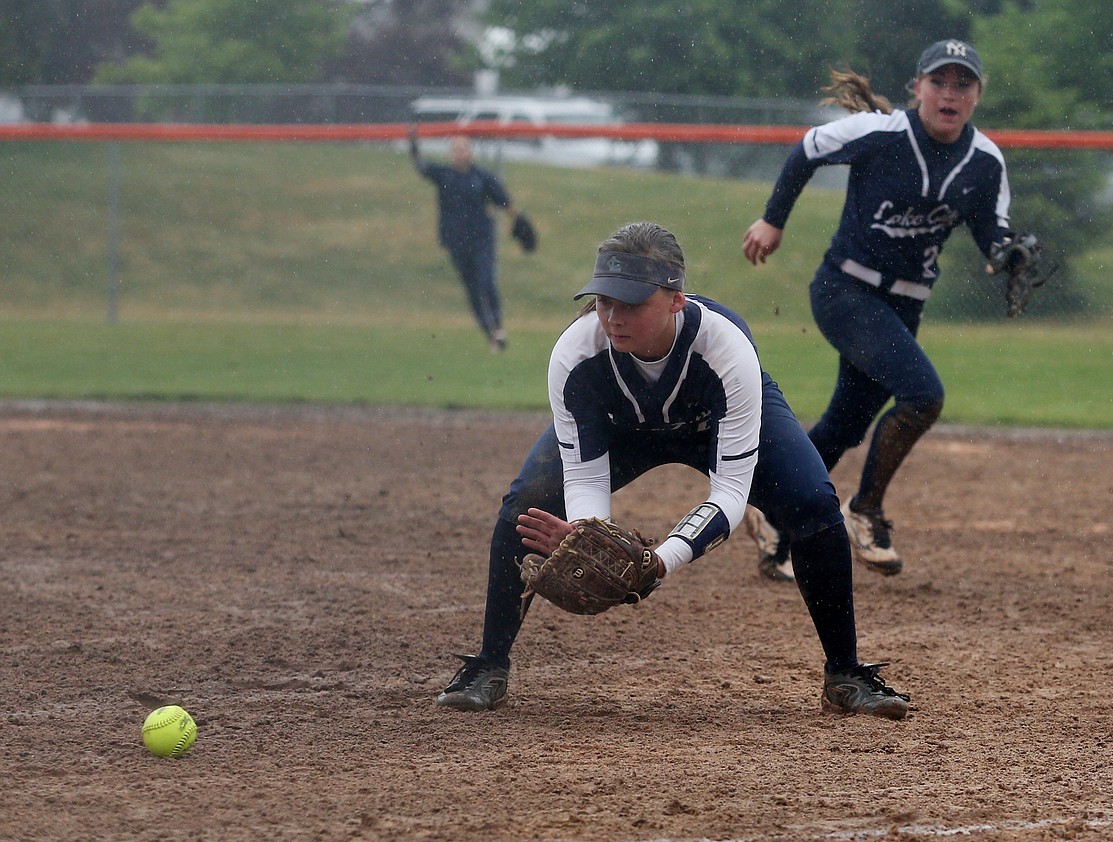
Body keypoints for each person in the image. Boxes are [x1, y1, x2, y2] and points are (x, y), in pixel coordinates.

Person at [436, 221, 910, 720]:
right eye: (604, 301)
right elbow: (585, 476)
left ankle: (845, 673)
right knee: (527, 505)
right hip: (623, 428)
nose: (613, 317)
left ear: (676, 300)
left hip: (712, 423)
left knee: (814, 503)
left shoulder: (725, 350)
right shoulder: (576, 355)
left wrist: (660, 561)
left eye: (632, 303)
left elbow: (730, 491)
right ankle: (489, 664)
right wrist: (588, 536)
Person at [742, 39, 1013, 578]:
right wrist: (774, 219)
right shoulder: (882, 133)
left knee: (845, 424)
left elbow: (992, 228)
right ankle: (864, 509)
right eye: (939, 81)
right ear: (918, 88)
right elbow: (808, 150)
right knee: (922, 395)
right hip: (846, 291)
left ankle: (772, 511)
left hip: (903, 305)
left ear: (978, 95)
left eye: (963, 83)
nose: (950, 93)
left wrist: (1008, 252)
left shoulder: (985, 161)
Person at [409, 131, 520, 352]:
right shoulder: (444, 175)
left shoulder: (481, 177)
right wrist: (413, 145)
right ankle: (490, 335)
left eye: (463, 148)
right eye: (456, 149)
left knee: (486, 282)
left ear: (470, 151)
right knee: (471, 290)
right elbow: (422, 167)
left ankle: (498, 327)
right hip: (456, 242)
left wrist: (518, 221)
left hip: (481, 240)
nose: (459, 153)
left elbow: (504, 201)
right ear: (451, 153)